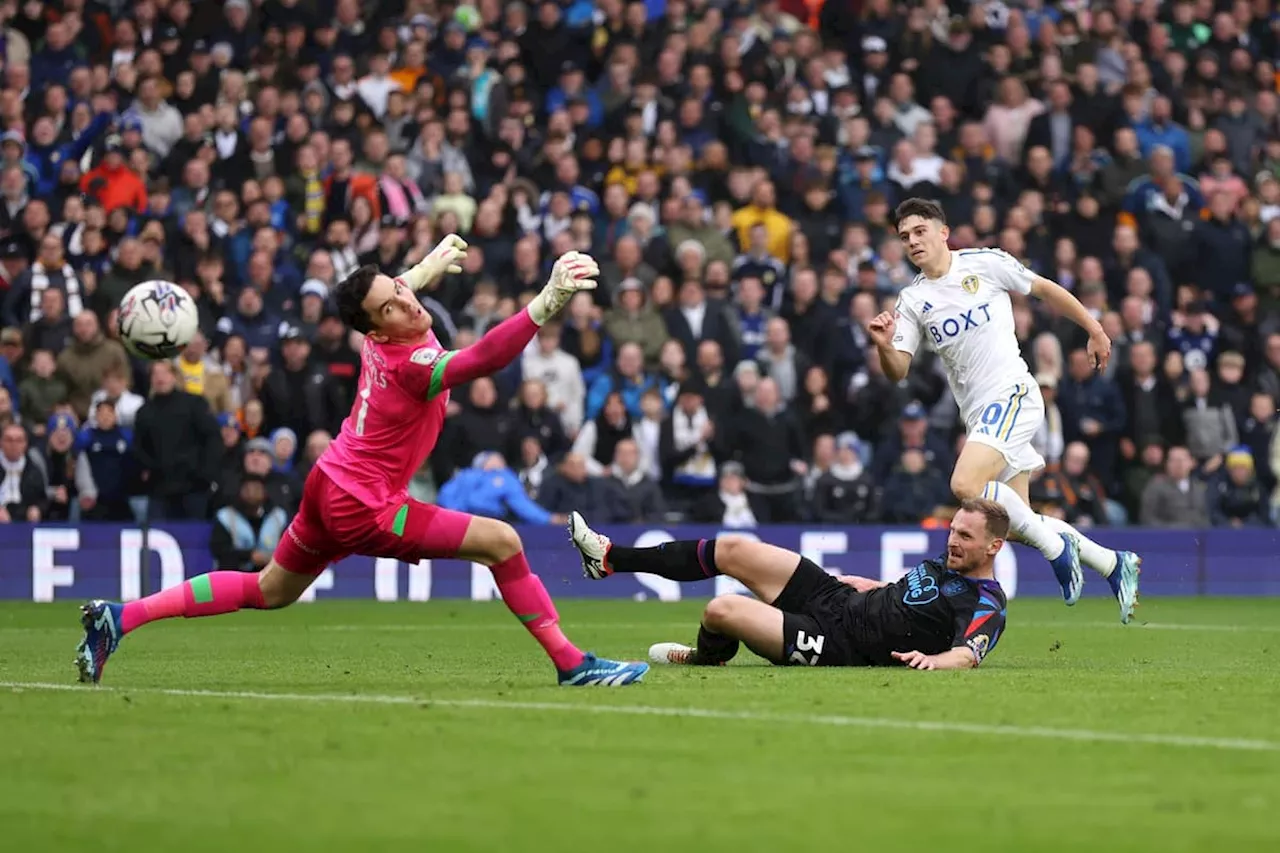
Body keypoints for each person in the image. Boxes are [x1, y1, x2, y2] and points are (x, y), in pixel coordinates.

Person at [77, 237, 648, 688]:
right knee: (502, 542)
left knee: (270, 589)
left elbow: (394, 288)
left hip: (328, 481)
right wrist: (544, 303)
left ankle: (119, 618)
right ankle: (573, 663)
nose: (407, 301)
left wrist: (423, 267)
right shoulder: (414, 364)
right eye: (391, 306)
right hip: (365, 503)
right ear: (376, 328)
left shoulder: (380, 329)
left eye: (401, 292)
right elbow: (481, 358)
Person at [868, 198, 1140, 623]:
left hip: (1012, 394)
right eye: (904, 237)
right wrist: (885, 347)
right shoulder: (912, 300)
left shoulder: (984, 263)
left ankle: (1058, 551)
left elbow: (1044, 289)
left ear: (943, 231)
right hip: (980, 416)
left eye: (920, 231)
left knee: (965, 485)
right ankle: (1112, 563)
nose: (912, 241)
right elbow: (898, 371)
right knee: (1012, 523)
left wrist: (1094, 328)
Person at [567, 500, 1009, 670]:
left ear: (994, 546)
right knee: (736, 549)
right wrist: (875, 584)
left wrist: (934, 662)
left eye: (965, 536)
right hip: (838, 597)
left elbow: (967, 655)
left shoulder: (987, 601)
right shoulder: (950, 560)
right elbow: (915, 596)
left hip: (840, 645)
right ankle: (608, 559)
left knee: (721, 610)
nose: (953, 540)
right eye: (953, 530)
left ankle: (705, 657)